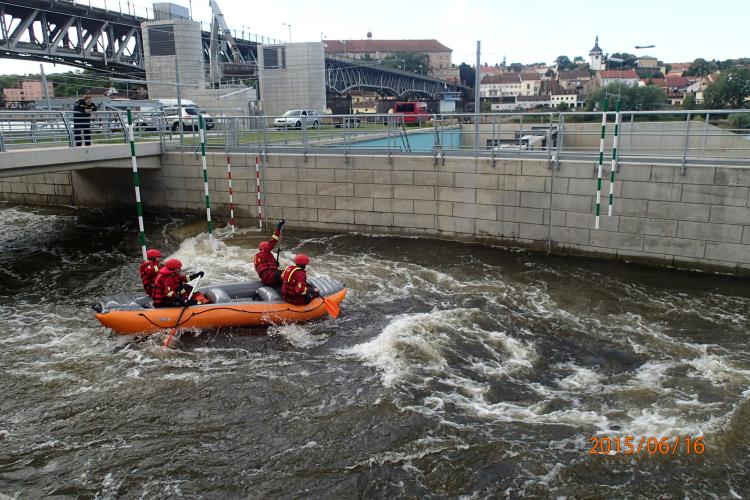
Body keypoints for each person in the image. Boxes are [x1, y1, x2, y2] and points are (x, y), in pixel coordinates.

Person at [254, 219, 285, 286]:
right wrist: (279, 226)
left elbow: (264, 267)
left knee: (280, 273)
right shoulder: (265, 251)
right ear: (264, 247)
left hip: (265, 280)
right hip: (271, 277)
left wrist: (274, 264)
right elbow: (274, 240)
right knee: (287, 273)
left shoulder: (257, 257)